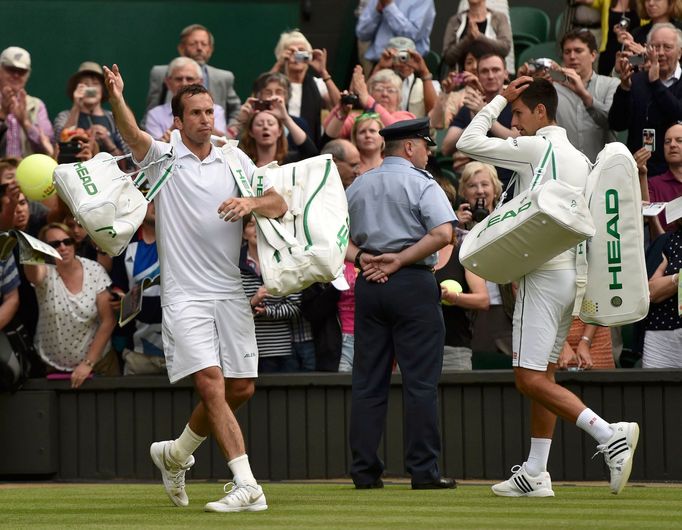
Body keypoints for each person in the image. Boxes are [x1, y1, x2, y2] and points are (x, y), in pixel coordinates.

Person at [104, 63, 287, 511]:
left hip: (230, 291)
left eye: (210, 111)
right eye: (197, 113)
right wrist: (116, 97)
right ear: (178, 121)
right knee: (211, 383)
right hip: (185, 295)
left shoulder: (235, 158)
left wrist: (250, 202)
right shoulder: (161, 158)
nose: (206, 118)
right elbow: (131, 134)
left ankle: (176, 452)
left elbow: (278, 203)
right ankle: (246, 484)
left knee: (241, 388)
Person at [456, 77, 640, 496]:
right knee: (545, 373)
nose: (513, 124)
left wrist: (499, 96)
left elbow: (468, 140)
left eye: (518, 114)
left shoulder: (536, 147)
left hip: (541, 275)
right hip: (569, 278)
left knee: (527, 378)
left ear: (541, 113)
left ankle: (608, 433)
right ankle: (536, 472)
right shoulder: (579, 156)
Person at [346, 117, 457, 490]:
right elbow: (443, 233)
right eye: (426, 145)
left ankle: (364, 471)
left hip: (369, 283)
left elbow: (331, 238)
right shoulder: (422, 182)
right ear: (410, 147)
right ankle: (423, 472)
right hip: (411, 284)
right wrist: (400, 259)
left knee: (367, 382)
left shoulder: (359, 184)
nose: (428, 152)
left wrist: (364, 260)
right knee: (420, 383)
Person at [24, 223, 117, 388]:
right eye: (54, 244)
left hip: (98, 364)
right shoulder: (45, 272)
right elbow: (33, 276)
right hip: (51, 366)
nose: (62, 247)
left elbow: (108, 321)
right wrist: (29, 250)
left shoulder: (94, 270)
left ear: (74, 243)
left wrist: (88, 363)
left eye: (67, 242)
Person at [520, 28, 619, 163]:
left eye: (578, 51)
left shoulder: (611, 84)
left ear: (593, 55)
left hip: (602, 168)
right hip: (564, 169)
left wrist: (583, 94)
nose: (572, 56)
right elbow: (533, 127)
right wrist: (529, 85)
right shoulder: (552, 89)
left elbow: (613, 123)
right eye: (567, 52)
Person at [455, 161, 514, 356]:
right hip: (471, 314)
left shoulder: (509, 221)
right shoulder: (454, 229)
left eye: (485, 184)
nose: (480, 191)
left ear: (495, 189)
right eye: (472, 185)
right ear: (464, 191)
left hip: (505, 309)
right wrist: (455, 228)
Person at [609, 23, 682, 175]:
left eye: (667, 47)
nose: (660, 53)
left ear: (679, 53)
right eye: (654, 47)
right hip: (641, 171)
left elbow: (678, 113)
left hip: (677, 174)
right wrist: (624, 89)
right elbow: (617, 123)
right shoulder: (636, 80)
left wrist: (656, 83)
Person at [442, 52, 517, 184]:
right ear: (477, 76)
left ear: (506, 74)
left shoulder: (516, 104)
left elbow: (516, 140)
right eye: (484, 71)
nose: (490, 76)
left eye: (496, 70)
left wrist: (483, 114)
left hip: (510, 180)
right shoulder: (469, 108)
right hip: (478, 183)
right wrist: (476, 117)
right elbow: (446, 147)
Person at [145, 24, 241, 126]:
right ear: (181, 48)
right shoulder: (161, 73)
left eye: (204, 44)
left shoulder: (223, 77)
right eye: (193, 44)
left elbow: (236, 110)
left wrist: (229, 133)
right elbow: (151, 108)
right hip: (169, 135)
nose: (199, 48)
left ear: (210, 50)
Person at [109, 202, 165, 375]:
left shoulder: (182, 239)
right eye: (151, 200)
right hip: (138, 350)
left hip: (181, 351)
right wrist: (119, 299)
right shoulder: (124, 243)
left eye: (160, 199)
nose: (156, 204)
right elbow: (118, 284)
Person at [239, 216, 301, 373]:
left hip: (282, 350)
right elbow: (230, 310)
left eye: (261, 225)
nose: (257, 230)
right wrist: (252, 302)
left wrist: (268, 312)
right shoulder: (234, 265)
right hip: (246, 351)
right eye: (251, 225)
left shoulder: (284, 261)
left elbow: (295, 307)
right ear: (243, 233)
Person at [270, 30, 341, 146]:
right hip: (278, 144)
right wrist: (279, 64)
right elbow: (261, 95)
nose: (297, 55)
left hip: (309, 145)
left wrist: (323, 72)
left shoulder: (317, 84)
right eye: (292, 51)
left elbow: (340, 106)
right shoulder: (277, 84)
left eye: (301, 51)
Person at [53, 62, 128, 157]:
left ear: (103, 89)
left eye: (95, 84)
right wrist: (76, 105)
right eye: (85, 84)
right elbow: (60, 145)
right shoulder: (65, 116)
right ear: (76, 89)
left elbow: (129, 160)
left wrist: (108, 142)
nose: (90, 89)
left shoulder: (113, 118)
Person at [143, 57, 227, 141]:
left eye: (189, 79)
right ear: (168, 83)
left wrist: (204, 126)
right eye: (179, 79)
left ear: (200, 82)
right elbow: (154, 151)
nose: (184, 83)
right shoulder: (155, 114)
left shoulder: (216, 110)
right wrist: (176, 128)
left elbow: (221, 142)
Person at [324, 67, 414, 140]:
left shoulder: (405, 116)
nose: (384, 94)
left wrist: (368, 100)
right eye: (379, 89)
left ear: (399, 97)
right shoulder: (360, 117)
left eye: (391, 90)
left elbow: (397, 130)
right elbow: (328, 130)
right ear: (370, 92)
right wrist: (342, 107)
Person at [0, 46, 53, 157]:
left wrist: (25, 122)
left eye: (21, 71)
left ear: (28, 75)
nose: (16, 75)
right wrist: (3, 115)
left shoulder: (37, 105)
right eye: (11, 69)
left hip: (28, 171)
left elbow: (48, 149)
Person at [370, 36, 439, 118]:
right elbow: (366, 101)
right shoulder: (379, 83)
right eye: (399, 57)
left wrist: (424, 72)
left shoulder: (424, 86)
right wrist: (380, 67)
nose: (403, 62)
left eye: (407, 57)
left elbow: (435, 116)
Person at [441, 0, 512, 75]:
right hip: (461, 80)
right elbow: (448, 57)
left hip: (491, 79)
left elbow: (505, 48)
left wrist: (479, 37)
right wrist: (468, 39)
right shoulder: (455, 21)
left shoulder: (499, 18)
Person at [238, 100, 317, 166]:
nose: (265, 127)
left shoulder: (291, 161)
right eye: (259, 124)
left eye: (271, 123)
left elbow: (312, 154)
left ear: (279, 131)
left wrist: (286, 119)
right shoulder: (245, 164)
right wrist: (239, 122)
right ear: (251, 132)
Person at [356, 0, 436, 64]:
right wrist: (377, 12)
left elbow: (412, 35)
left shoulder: (424, 1)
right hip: (378, 63)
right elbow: (362, 33)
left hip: (406, 66)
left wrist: (389, 7)